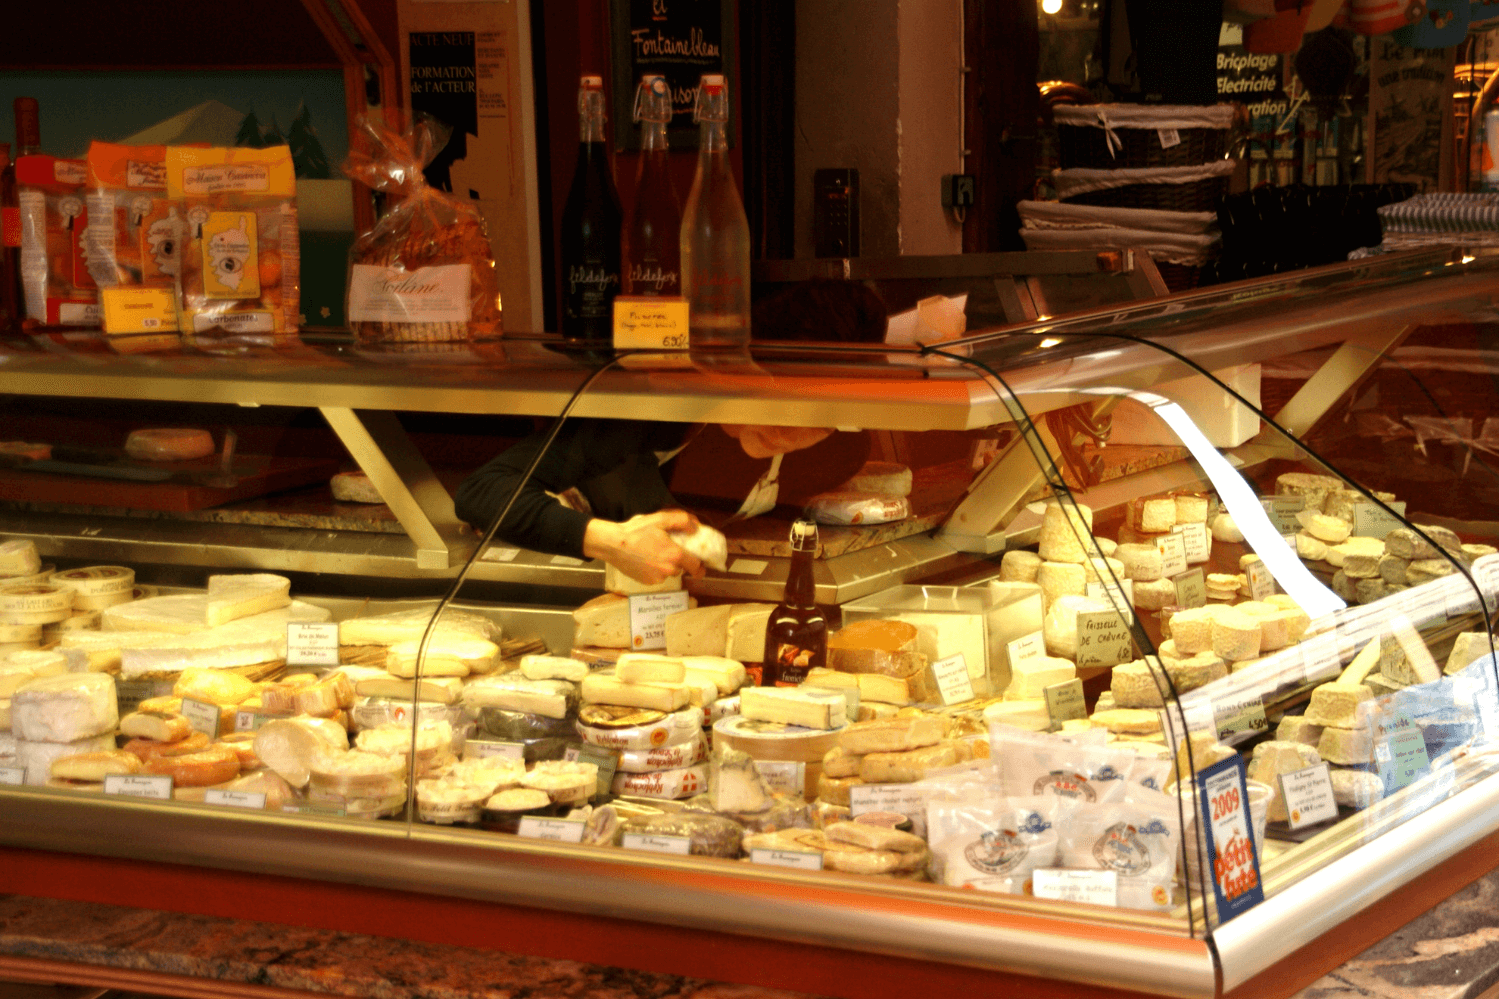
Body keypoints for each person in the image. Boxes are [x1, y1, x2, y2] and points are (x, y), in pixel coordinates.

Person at [454, 280, 888, 583]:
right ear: (749, 370)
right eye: (790, 405)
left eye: (822, 423)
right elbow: (482, 491)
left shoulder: (841, 453)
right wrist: (613, 542)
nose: (791, 432)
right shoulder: (652, 411)